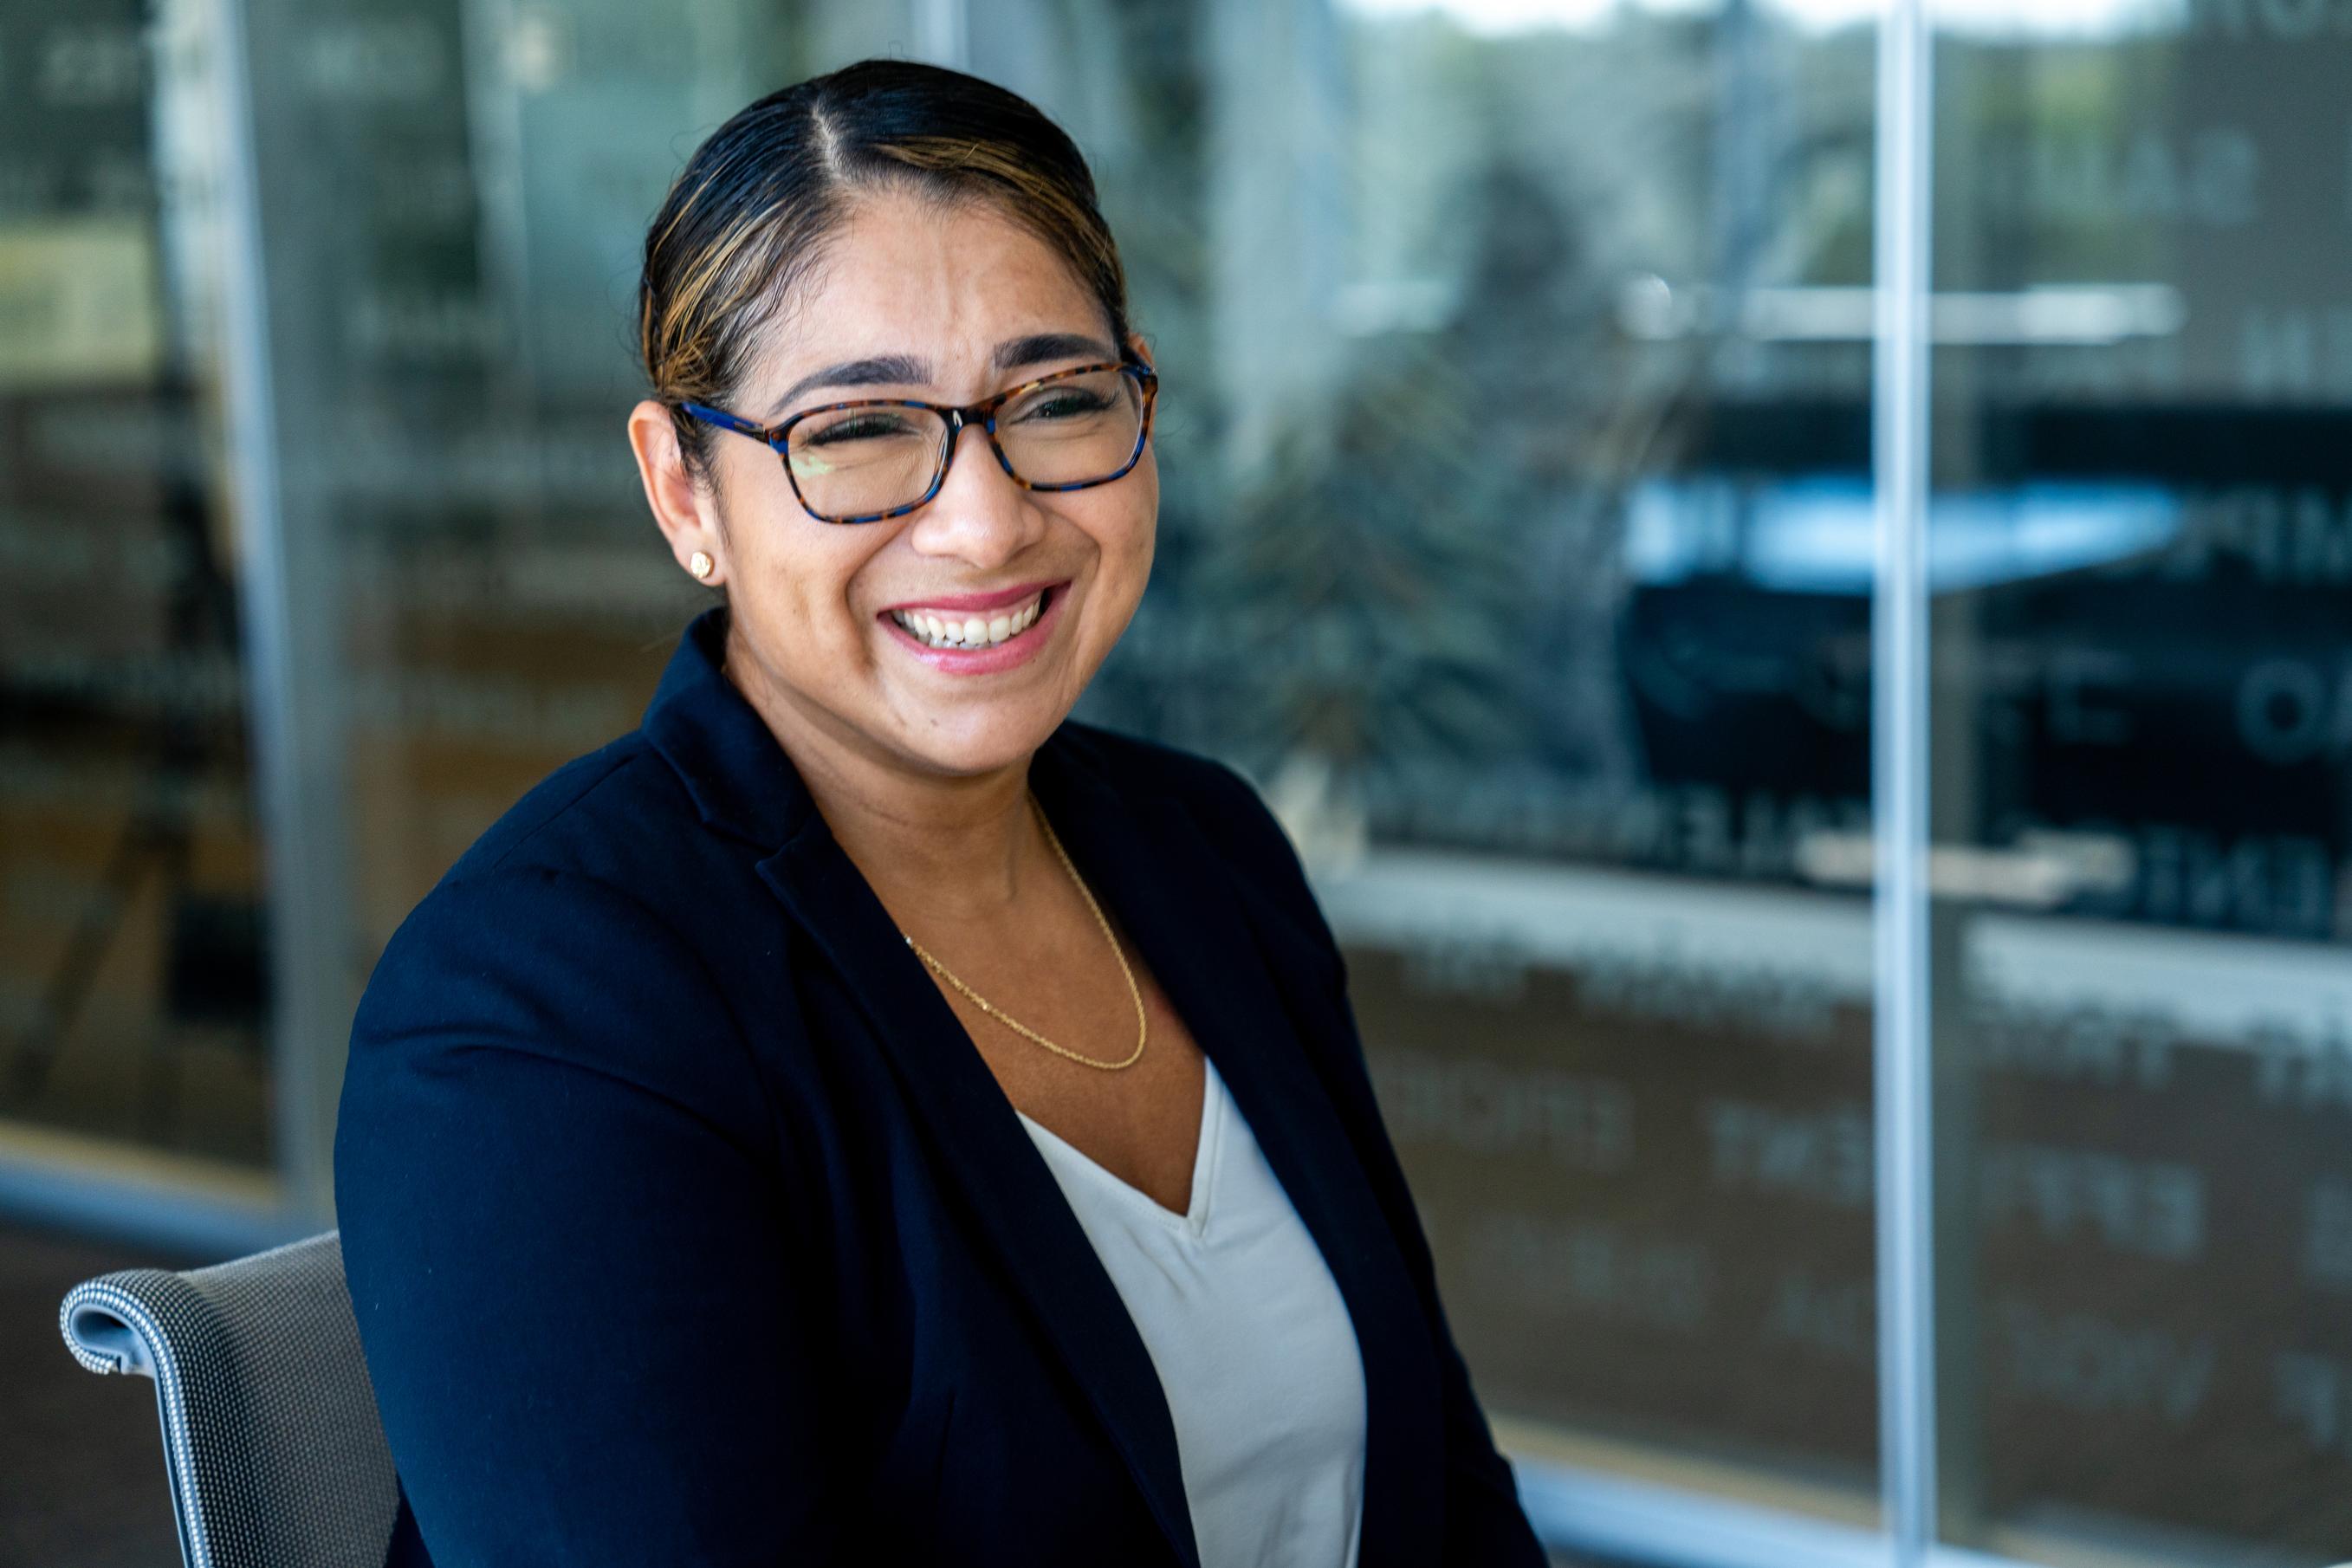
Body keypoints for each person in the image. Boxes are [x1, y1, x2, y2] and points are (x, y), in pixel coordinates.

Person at [333, 58, 1545, 1568]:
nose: (984, 520)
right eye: (856, 430)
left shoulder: (1205, 848)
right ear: (685, 493)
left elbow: (1446, 1492)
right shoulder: (537, 1013)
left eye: (1055, 399)